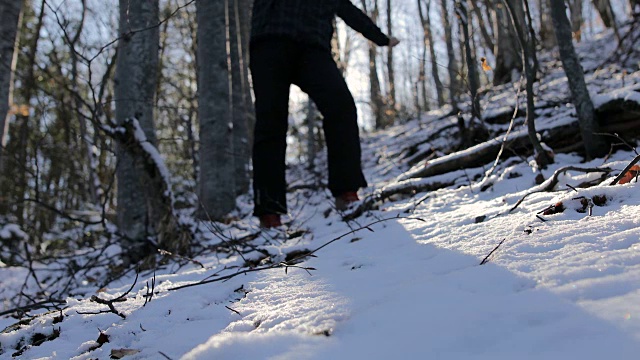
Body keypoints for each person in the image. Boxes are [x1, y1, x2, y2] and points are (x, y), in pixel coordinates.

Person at [250, 0, 400, 228]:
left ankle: (346, 192)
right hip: (270, 40)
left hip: (313, 49)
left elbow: (350, 12)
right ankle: (269, 213)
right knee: (270, 122)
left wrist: (381, 38)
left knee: (342, 107)